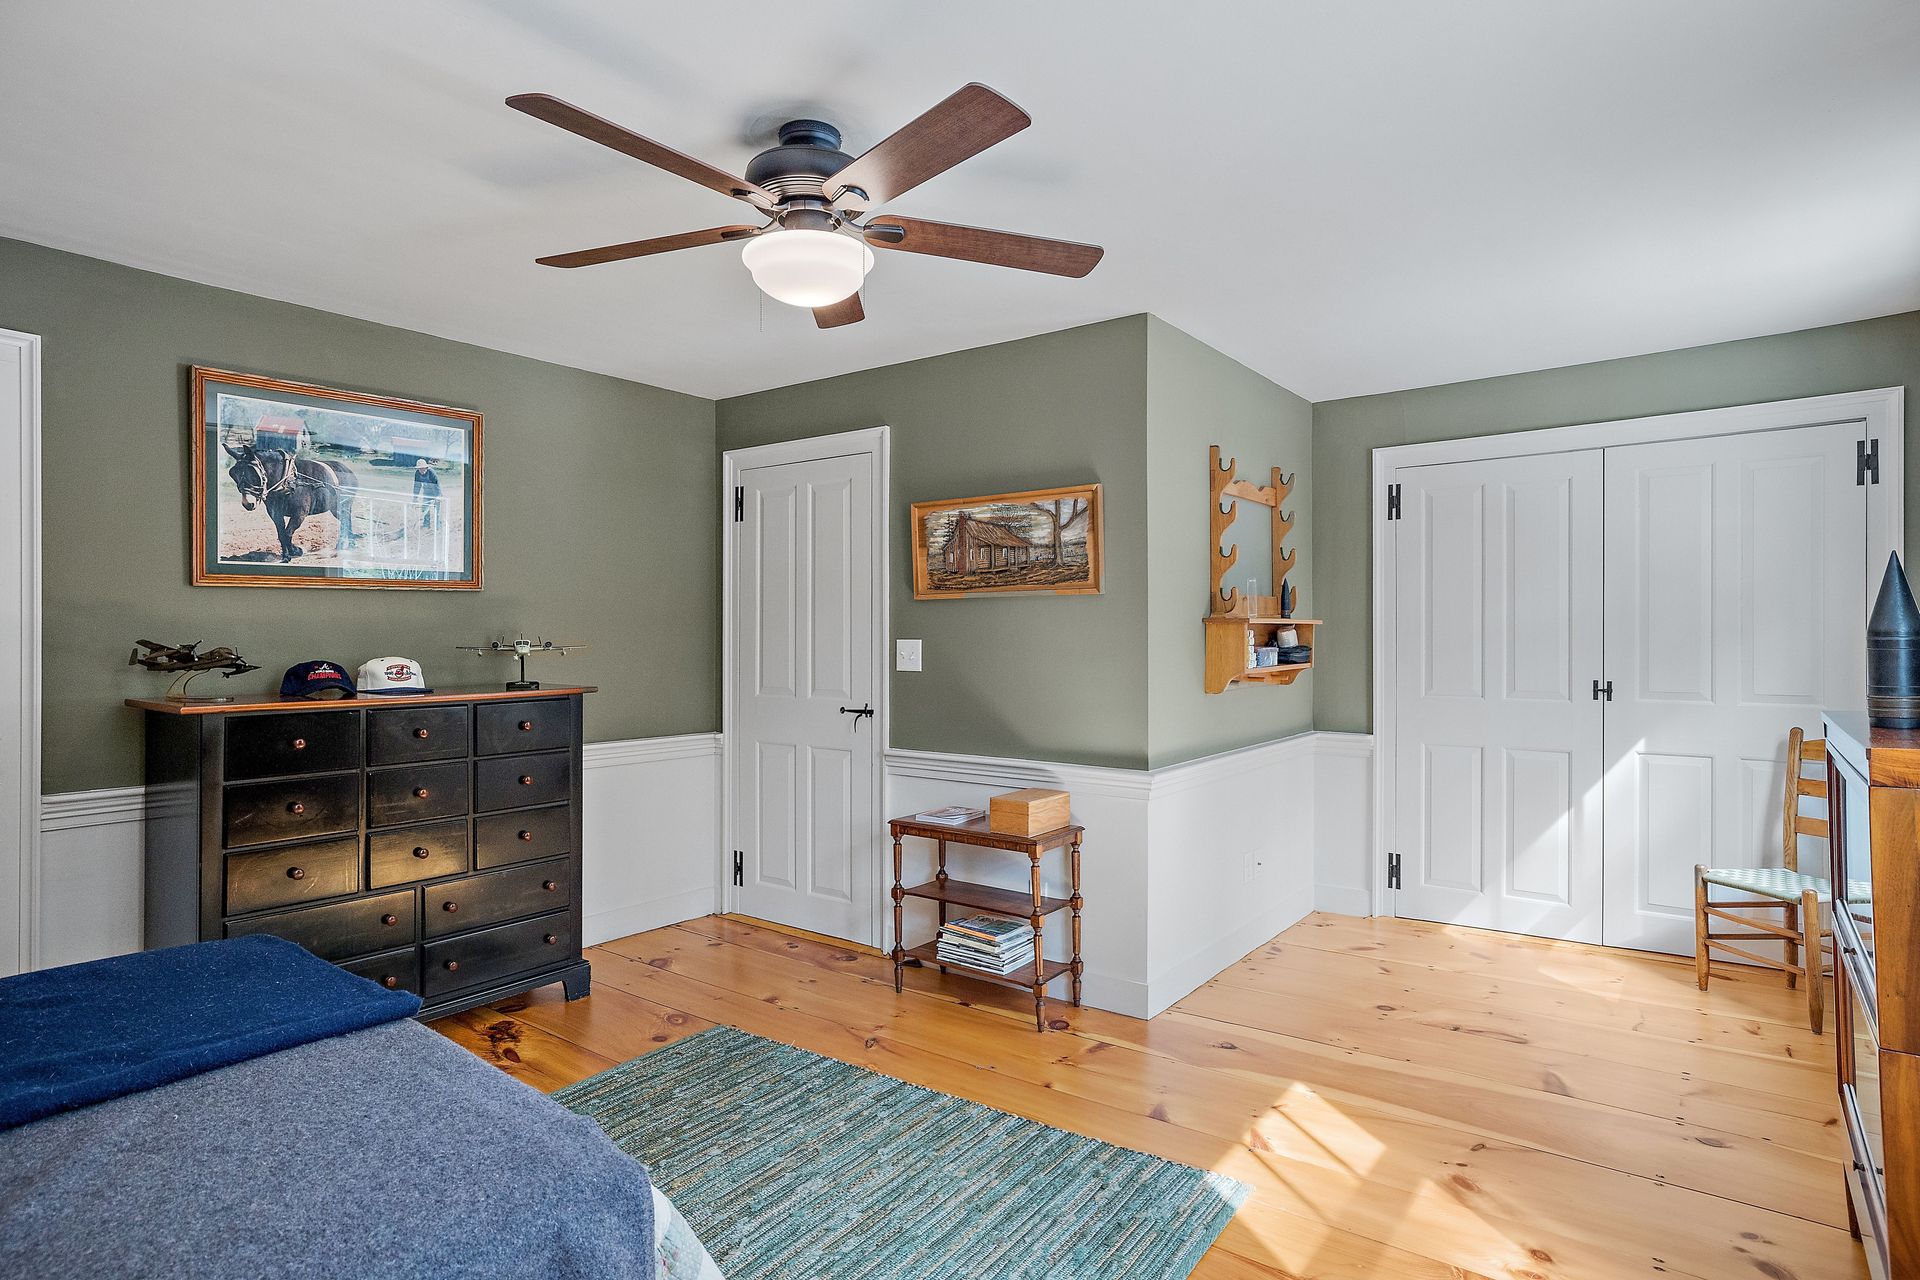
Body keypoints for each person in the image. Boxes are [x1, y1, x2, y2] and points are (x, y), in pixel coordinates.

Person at [412, 457, 441, 529]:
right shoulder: (417, 474)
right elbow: (417, 486)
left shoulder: (431, 472)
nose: (421, 470)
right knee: (425, 508)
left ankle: (438, 527)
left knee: (437, 511)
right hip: (426, 493)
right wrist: (415, 498)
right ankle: (426, 525)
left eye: (422, 468)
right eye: (419, 468)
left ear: (426, 467)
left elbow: (437, 484)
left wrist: (438, 496)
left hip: (435, 493)